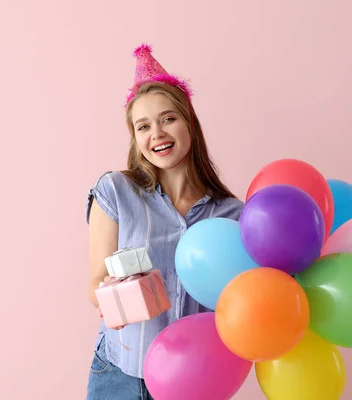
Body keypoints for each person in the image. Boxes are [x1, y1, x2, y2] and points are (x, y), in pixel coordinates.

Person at [85, 44, 244, 400]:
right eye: (143, 126)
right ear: (136, 139)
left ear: (189, 122)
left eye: (168, 119)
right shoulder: (115, 191)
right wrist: (112, 298)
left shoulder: (232, 214)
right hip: (120, 375)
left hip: (193, 378)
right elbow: (95, 282)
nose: (156, 133)